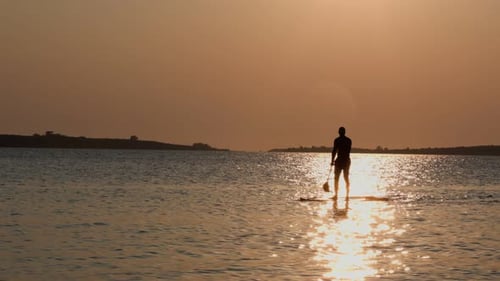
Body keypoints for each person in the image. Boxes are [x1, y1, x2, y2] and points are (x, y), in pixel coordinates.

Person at [331, 126, 352, 199]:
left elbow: (334, 151)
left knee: (341, 177)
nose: (340, 133)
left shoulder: (338, 140)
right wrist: (332, 161)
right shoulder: (348, 140)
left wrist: (332, 161)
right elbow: (334, 151)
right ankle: (341, 195)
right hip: (343, 160)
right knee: (341, 177)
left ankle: (344, 195)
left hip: (343, 160)